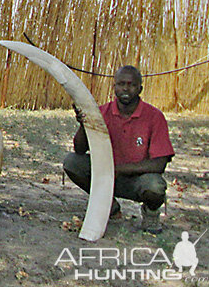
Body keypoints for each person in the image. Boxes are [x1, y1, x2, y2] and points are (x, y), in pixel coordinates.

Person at [63, 65, 174, 234]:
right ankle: (110, 206)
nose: (126, 89)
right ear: (114, 87)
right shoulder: (101, 112)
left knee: (155, 186)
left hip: (137, 181)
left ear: (140, 88)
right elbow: (79, 149)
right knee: (72, 162)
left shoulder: (154, 117)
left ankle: (151, 213)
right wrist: (84, 124)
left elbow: (159, 164)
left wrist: (119, 169)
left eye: (131, 84)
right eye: (121, 84)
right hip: (105, 177)